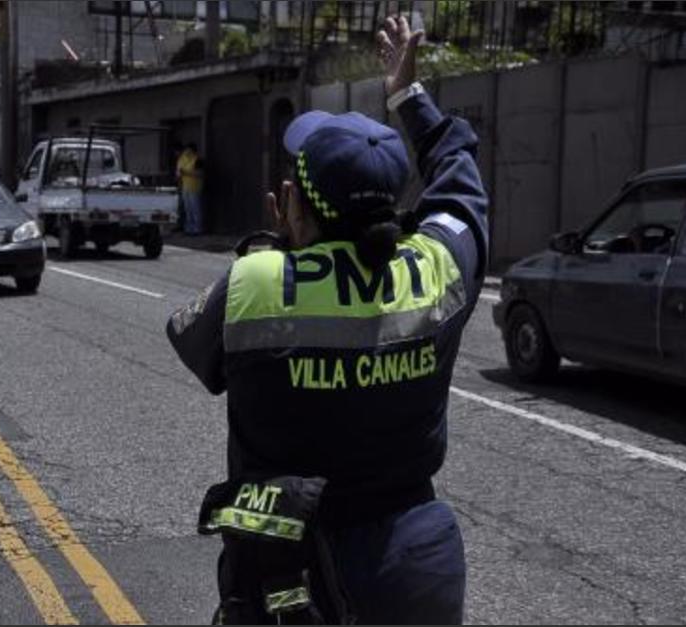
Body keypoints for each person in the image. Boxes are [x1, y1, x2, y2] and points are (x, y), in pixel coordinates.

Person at [166, 15, 488, 625]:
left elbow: (191, 345)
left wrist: (285, 253)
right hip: (413, 554)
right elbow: (462, 185)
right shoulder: (439, 267)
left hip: (290, 567)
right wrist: (409, 98)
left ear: (293, 206)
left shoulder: (256, 280)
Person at [176, 142, 204, 235]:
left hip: (195, 188)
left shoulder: (197, 160)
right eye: (186, 150)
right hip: (185, 187)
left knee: (195, 209)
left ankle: (197, 228)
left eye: (189, 150)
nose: (186, 152)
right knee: (188, 210)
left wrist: (186, 173)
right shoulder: (184, 160)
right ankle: (189, 228)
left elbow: (200, 174)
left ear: (193, 150)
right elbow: (179, 172)